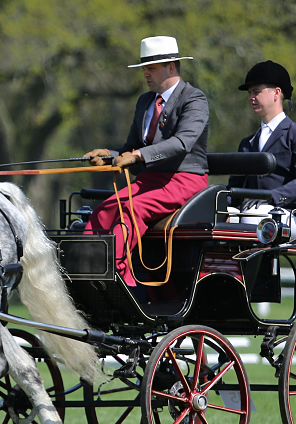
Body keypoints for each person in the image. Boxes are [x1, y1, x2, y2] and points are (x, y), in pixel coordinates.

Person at [83, 36, 209, 289]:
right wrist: (109, 154)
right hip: (150, 180)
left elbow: (182, 142)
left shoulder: (194, 99)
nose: (145, 75)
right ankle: (85, 271)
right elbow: (131, 146)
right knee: (103, 211)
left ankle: (118, 277)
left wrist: (139, 156)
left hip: (184, 180)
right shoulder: (145, 101)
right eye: (144, 70)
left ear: (171, 67)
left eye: (150, 69)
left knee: (130, 210)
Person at [228, 60, 296, 237]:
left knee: (252, 218)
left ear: (277, 93)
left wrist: (272, 196)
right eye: (249, 93)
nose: (250, 97)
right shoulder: (247, 143)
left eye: (256, 91)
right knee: (217, 220)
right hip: (257, 214)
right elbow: (235, 189)